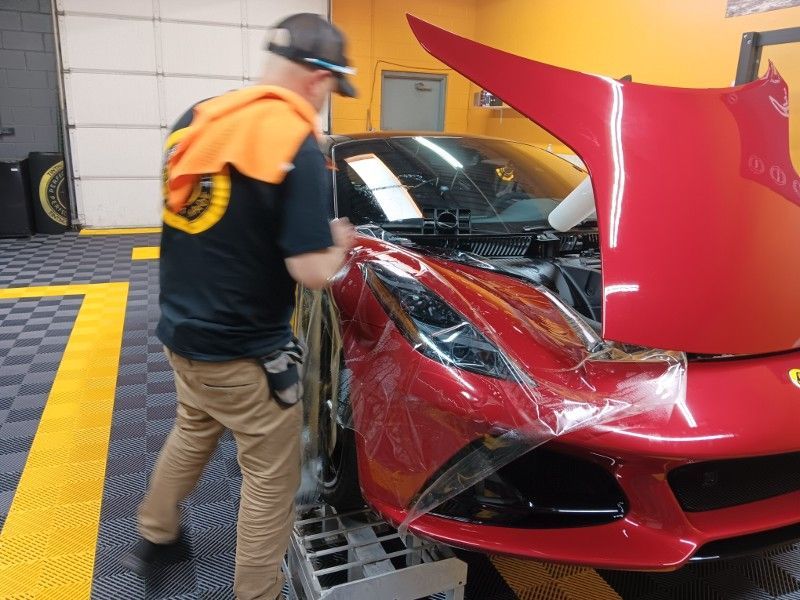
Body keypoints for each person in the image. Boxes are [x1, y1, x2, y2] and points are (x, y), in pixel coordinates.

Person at [121, 13, 357, 600]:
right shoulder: (293, 143)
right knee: (270, 481)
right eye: (330, 87)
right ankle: (258, 593)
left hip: (182, 331)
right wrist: (339, 245)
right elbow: (309, 271)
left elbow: (212, 224)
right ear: (316, 78)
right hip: (244, 352)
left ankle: (156, 533)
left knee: (192, 429)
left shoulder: (198, 120)